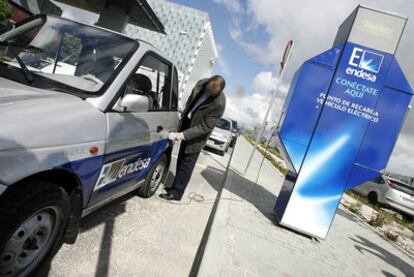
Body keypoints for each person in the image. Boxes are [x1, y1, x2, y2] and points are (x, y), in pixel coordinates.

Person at [160, 75, 226, 201]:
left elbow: (205, 126)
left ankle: (176, 193)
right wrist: (180, 125)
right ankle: (174, 186)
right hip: (187, 122)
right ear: (208, 82)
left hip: (197, 136)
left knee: (186, 164)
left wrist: (183, 135)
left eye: (212, 94)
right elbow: (190, 102)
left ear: (219, 92)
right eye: (208, 90)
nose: (208, 94)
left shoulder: (219, 104)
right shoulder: (201, 83)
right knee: (180, 159)